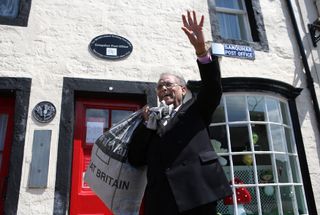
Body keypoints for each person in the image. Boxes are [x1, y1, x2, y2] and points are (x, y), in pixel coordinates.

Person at [128, 10, 232, 215]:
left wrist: (202, 52)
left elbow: (212, 88)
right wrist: (147, 127)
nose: (163, 89)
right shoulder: (151, 120)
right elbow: (136, 159)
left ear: (183, 90)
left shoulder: (195, 108)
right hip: (160, 200)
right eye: (159, 86)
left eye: (168, 84)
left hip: (196, 194)